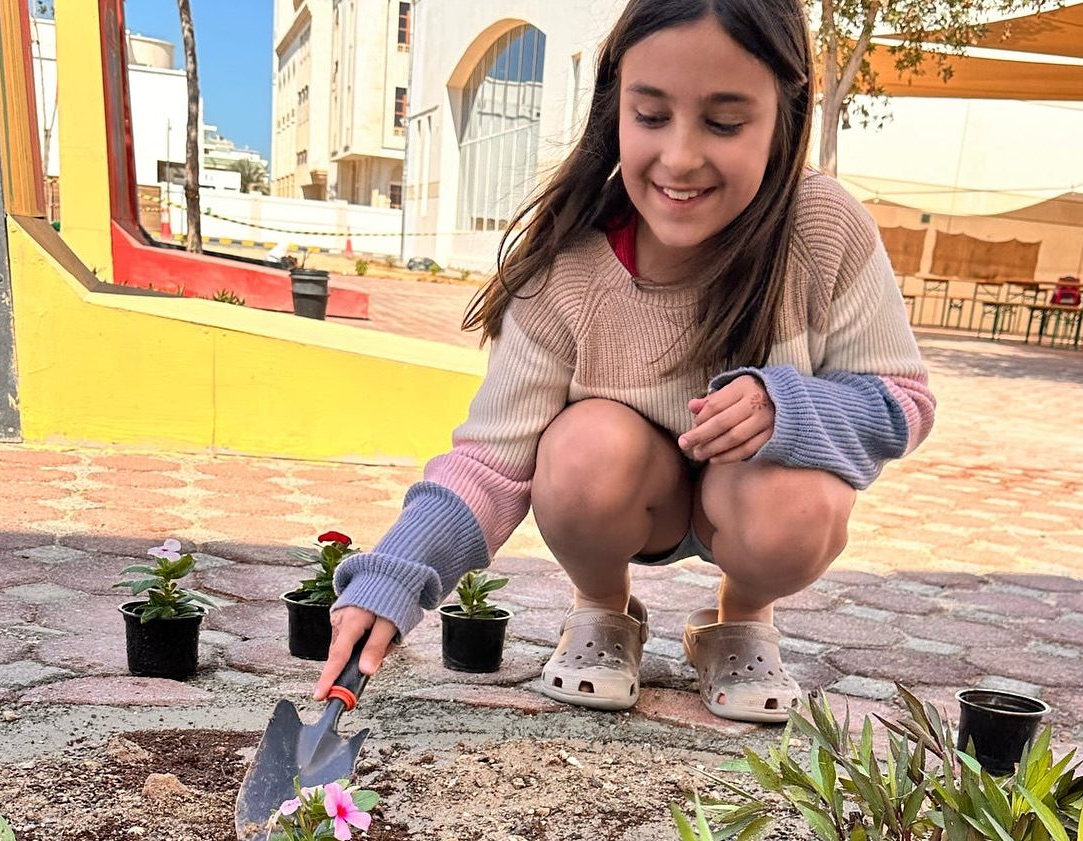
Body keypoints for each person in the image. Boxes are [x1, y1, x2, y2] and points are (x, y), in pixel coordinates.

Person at [316, 0, 935, 723]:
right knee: (582, 449)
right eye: (650, 116)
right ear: (615, 107)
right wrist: (393, 576)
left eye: (726, 122)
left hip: (755, 500)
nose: (679, 157)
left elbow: (904, 402)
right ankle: (605, 610)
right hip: (632, 495)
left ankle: (739, 618)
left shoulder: (825, 227)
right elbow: (492, 460)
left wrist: (792, 409)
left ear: (785, 118)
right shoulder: (567, 265)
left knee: (804, 502)